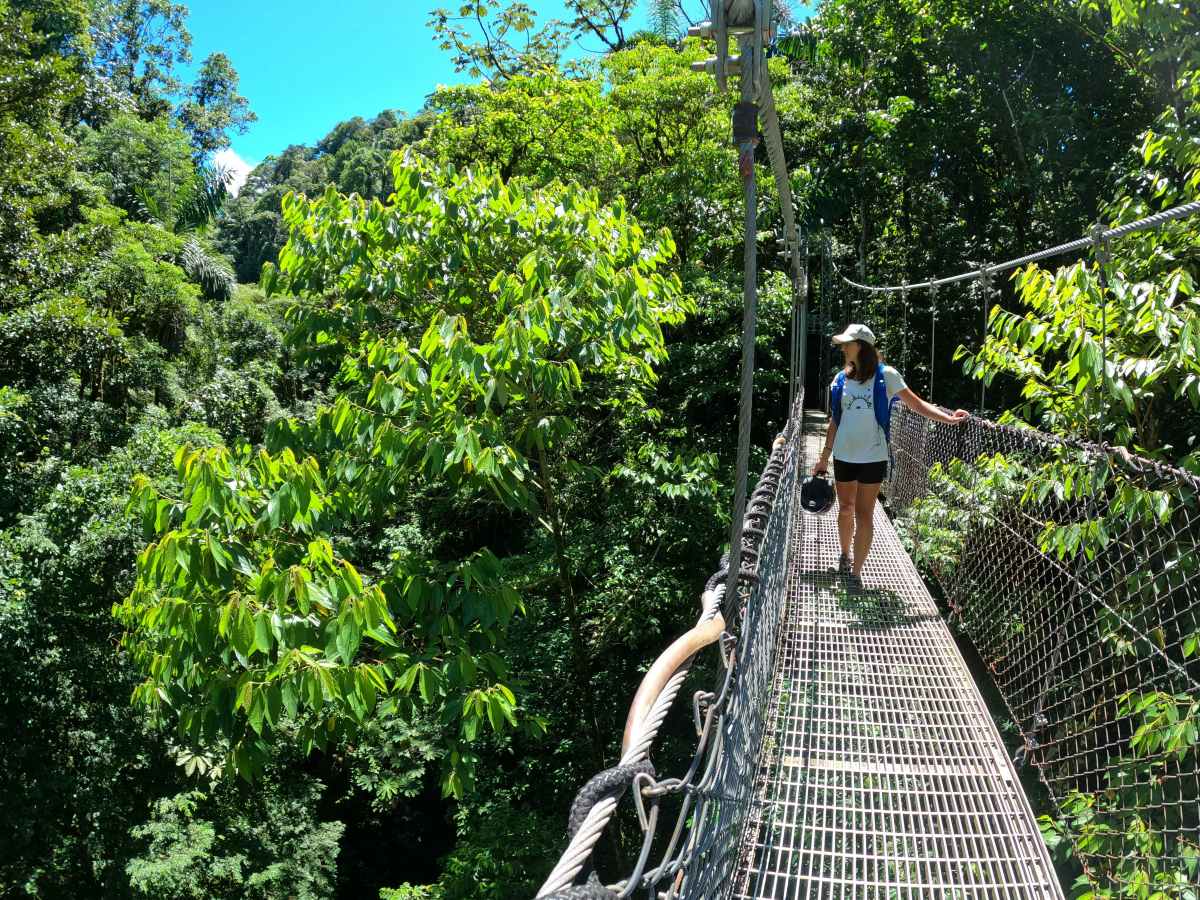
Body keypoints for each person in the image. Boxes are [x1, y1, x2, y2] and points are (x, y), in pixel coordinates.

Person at [813, 323, 968, 585]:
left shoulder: (888, 376)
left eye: (847, 344)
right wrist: (823, 457)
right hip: (843, 455)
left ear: (860, 347)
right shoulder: (841, 379)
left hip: (873, 457)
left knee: (864, 514)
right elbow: (835, 421)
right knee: (845, 509)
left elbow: (917, 404)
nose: (843, 348)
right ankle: (844, 554)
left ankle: (855, 573)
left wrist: (949, 419)